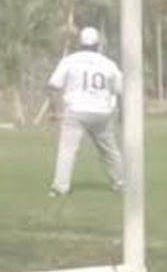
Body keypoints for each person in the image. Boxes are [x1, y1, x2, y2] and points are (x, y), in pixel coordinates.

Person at [47, 27, 124, 196]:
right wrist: (121, 116)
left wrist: (54, 110)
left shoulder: (70, 60)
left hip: (76, 110)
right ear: (98, 44)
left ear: (80, 43)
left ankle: (60, 187)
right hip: (102, 112)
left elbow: (53, 85)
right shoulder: (108, 63)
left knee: (67, 150)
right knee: (110, 150)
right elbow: (120, 90)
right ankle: (122, 182)